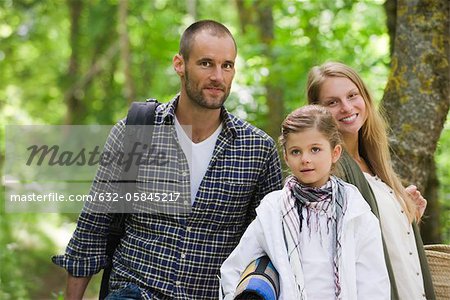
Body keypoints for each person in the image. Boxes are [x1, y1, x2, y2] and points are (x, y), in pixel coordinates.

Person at [52, 20, 282, 300]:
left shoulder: (257, 149)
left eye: (227, 65)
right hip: (135, 290)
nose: (218, 77)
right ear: (179, 64)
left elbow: (270, 245)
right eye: (206, 63)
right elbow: (92, 229)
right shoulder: (135, 132)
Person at [220, 105, 389, 299]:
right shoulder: (273, 210)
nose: (305, 159)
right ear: (286, 156)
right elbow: (234, 269)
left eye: (315, 149)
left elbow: (374, 284)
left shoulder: (356, 211)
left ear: (335, 153)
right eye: (296, 152)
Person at [306, 61, 435, 300]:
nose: (346, 107)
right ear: (317, 111)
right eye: (332, 102)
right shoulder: (328, 173)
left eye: (352, 95)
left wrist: (405, 214)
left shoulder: (373, 163)